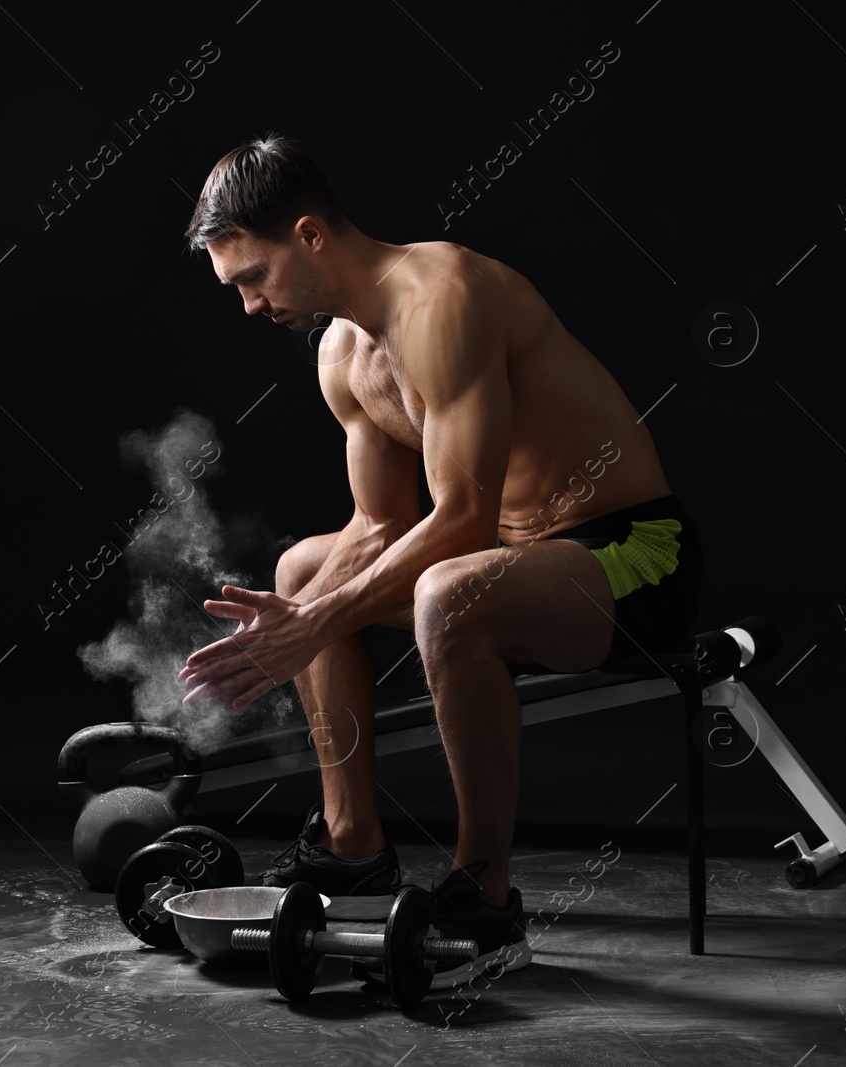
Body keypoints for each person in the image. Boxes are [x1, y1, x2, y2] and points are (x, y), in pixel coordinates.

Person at [177, 134, 704, 986]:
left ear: (310, 235)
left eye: (253, 277)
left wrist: (312, 628)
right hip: (517, 561)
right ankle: (352, 848)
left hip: (635, 552)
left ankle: (485, 896)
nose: (248, 305)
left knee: (445, 594)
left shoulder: (442, 298)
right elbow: (381, 521)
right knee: (302, 572)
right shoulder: (341, 355)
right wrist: (291, 616)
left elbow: (459, 520)